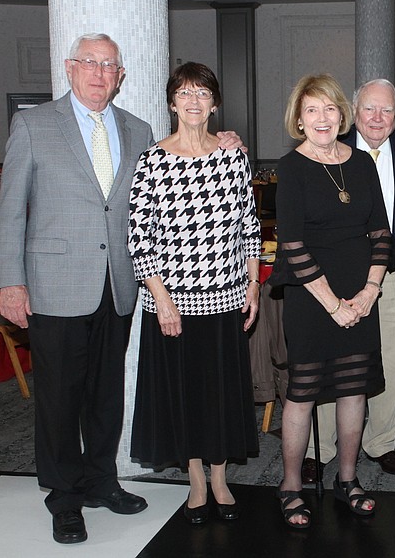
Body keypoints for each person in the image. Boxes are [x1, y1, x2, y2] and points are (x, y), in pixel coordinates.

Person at [0, 33, 243, 544]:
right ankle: (65, 498)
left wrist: (228, 140)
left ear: (121, 76)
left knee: (106, 393)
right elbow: (12, 208)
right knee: (59, 398)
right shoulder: (34, 124)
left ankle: (102, 482)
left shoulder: (137, 129)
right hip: (56, 283)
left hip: (118, 284)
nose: (99, 73)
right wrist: (11, 282)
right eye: (90, 63)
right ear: (70, 68)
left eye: (109, 65)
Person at [127, 62, 261, 525]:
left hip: (225, 299)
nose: (193, 101)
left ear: (215, 103)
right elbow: (139, 238)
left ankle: (220, 477)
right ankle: (196, 480)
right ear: (171, 102)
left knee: (218, 393)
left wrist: (253, 283)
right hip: (172, 303)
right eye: (184, 92)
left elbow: (249, 227)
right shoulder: (152, 160)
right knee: (183, 394)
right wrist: (161, 299)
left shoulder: (233, 157)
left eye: (202, 93)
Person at [272, 74, 392, 528]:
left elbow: (381, 233)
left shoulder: (361, 163)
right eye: (312, 110)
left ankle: (347, 479)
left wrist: (369, 292)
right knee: (302, 393)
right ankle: (290, 485)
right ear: (299, 120)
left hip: (360, 294)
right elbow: (293, 245)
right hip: (311, 298)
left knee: (352, 388)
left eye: (329, 109)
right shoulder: (291, 167)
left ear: (342, 115)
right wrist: (334, 304)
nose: (322, 118)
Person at [302, 78, 395, 483]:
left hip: (389, 275)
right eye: (369, 108)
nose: (377, 117)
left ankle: (381, 442)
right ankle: (321, 448)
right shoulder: (330, 147)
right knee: (332, 362)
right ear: (354, 112)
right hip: (336, 277)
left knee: (390, 356)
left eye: (386, 110)